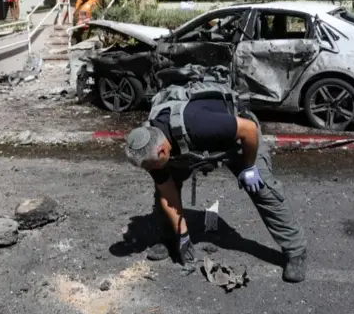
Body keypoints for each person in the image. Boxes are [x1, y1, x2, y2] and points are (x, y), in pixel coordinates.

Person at [123, 67, 308, 283]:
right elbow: (168, 195)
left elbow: (247, 130)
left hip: (238, 141)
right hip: (185, 149)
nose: (153, 171)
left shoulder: (200, 124)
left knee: (263, 189)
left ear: (163, 151)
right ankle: (170, 238)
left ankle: (296, 250)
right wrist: (183, 236)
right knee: (162, 191)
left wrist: (248, 167)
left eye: (153, 166)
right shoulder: (151, 144)